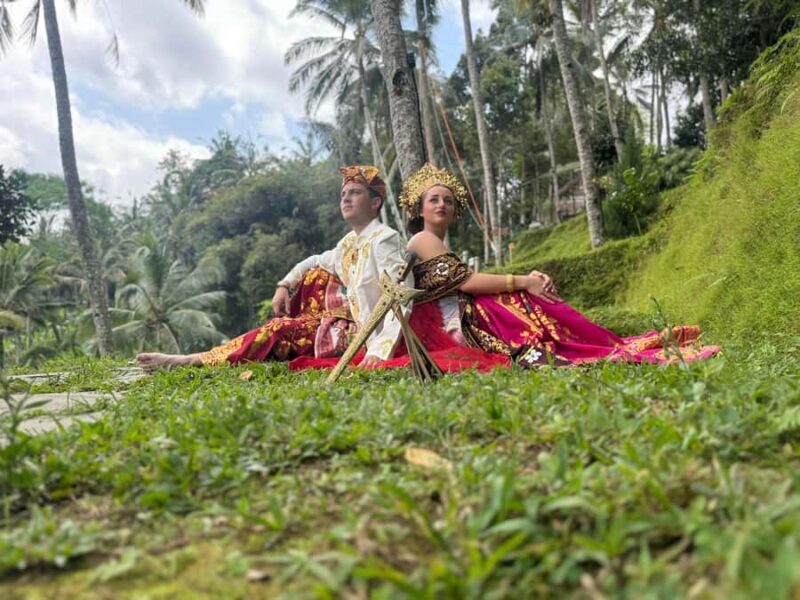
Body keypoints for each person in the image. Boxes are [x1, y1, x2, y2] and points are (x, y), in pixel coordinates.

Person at [396, 163, 720, 366]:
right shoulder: (422, 239)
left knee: (524, 297)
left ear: (455, 211)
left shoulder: (434, 242)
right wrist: (523, 281)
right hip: (454, 326)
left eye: (448, 201)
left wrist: (527, 281)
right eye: (434, 200)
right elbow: (466, 283)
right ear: (419, 208)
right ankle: (597, 344)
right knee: (519, 298)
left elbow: (465, 283)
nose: (442, 204)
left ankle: (596, 342)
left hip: (464, 315)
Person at [136, 165, 409, 371]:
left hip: (367, 337)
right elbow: (313, 261)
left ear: (375, 203)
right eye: (343, 194)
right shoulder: (349, 243)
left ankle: (192, 360)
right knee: (312, 276)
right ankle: (208, 355)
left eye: (355, 193)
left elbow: (401, 295)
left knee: (278, 330)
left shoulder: (384, 239)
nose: (346, 199)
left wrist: (382, 349)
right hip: (347, 325)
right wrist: (284, 285)